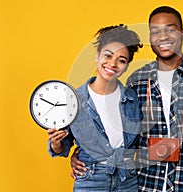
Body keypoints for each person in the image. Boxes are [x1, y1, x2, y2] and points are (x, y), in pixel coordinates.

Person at [71, 6, 183, 192]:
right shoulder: (137, 81)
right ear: (150, 38)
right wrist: (84, 154)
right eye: (155, 31)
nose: (163, 37)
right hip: (150, 184)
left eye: (170, 29)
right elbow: (124, 134)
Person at [47, 24, 143, 191]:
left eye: (121, 60)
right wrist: (56, 144)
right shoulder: (74, 99)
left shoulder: (133, 98)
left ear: (127, 66)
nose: (113, 64)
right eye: (108, 55)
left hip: (127, 179)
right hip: (91, 178)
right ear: (97, 56)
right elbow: (64, 145)